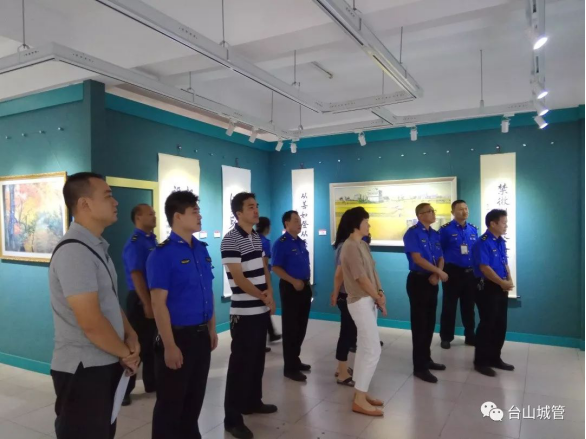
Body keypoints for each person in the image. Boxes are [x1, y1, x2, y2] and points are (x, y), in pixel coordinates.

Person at [49, 172, 140, 439]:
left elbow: (108, 301)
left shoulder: (95, 247)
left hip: (104, 360)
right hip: (83, 369)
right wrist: (126, 352)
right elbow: (90, 322)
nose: (116, 202)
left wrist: (130, 334)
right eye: (108, 196)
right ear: (85, 204)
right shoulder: (74, 251)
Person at [147, 191, 217, 439]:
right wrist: (169, 346)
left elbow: (207, 290)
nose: (200, 216)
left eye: (199, 211)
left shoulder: (201, 249)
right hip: (178, 338)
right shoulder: (162, 255)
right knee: (170, 405)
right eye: (194, 212)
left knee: (194, 399)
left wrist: (211, 328)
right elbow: (158, 304)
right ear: (177, 217)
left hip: (201, 335)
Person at [221, 193, 278, 439]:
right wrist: (262, 296)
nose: (256, 210)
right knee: (240, 367)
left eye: (257, 206)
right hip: (243, 313)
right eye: (250, 207)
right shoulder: (230, 239)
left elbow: (264, 267)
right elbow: (238, 278)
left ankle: (253, 401)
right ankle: (232, 419)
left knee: (257, 362)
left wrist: (270, 294)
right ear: (238, 213)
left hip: (260, 310)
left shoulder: (256, 237)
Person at [340, 207, 387, 417]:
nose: (369, 225)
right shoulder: (349, 246)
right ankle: (359, 399)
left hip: (369, 300)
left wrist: (380, 292)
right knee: (373, 349)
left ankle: (361, 392)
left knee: (364, 348)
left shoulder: (363, 245)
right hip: (359, 301)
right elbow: (360, 278)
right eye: (366, 222)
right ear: (355, 224)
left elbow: (372, 272)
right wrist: (377, 296)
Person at [403, 203, 448, 384]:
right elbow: (417, 259)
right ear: (420, 215)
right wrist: (439, 273)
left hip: (432, 280)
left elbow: (441, 257)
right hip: (418, 281)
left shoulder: (435, 234)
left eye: (433, 211)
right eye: (429, 211)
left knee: (429, 323)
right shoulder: (412, 233)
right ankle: (419, 367)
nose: (433, 213)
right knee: (419, 325)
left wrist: (437, 274)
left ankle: (427, 359)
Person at [121, 204, 158, 406]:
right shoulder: (135, 242)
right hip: (139, 298)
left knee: (152, 343)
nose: (154, 216)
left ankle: (152, 382)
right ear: (138, 217)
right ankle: (125, 390)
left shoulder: (151, 239)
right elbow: (136, 275)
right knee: (136, 345)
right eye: (150, 214)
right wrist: (147, 303)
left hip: (152, 295)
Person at [472, 209, 516, 377]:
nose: (506, 226)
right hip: (487, 287)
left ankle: (495, 358)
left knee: (500, 324)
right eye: (503, 223)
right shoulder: (482, 243)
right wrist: (502, 282)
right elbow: (485, 268)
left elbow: (504, 263)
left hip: (500, 286)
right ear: (493, 223)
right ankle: (481, 362)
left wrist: (509, 279)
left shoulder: (500, 241)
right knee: (487, 324)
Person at [272, 211, 313, 382]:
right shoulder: (281, 243)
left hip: (304, 287)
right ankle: (289, 368)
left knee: (301, 326)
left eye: (300, 220)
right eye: (296, 220)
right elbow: (275, 267)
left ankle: (295, 360)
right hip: (290, 288)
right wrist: (293, 281)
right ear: (286, 223)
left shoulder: (300, 242)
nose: (299, 223)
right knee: (291, 328)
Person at [439, 200, 479, 350]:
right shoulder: (445, 230)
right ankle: (446, 337)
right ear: (453, 212)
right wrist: (440, 270)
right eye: (460, 209)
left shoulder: (473, 229)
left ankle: (470, 335)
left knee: (469, 306)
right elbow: (439, 251)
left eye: (466, 208)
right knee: (449, 306)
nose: (464, 211)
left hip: (470, 273)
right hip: (452, 272)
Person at [330, 211, 358, 387]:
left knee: (350, 332)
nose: (368, 225)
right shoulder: (345, 246)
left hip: (351, 295)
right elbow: (339, 274)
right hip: (346, 295)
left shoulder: (352, 245)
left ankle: (341, 366)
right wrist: (335, 293)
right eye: (365, 222)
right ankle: (341, 372)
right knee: (347, 333)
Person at [256, 216, 282, 353]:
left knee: (262, 309)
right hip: (261, 280)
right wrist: (268, 284)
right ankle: (262, 340)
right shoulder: (264, 242)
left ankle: (270, 334)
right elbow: (264, 264)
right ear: (267, 227)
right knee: (263, 309)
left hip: (252, 280)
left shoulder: (252, 239)